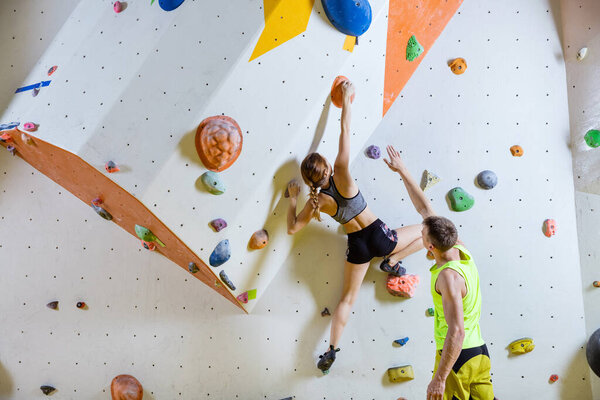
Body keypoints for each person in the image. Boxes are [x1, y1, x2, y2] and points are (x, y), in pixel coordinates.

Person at [286, 80, 424, 374]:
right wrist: (347, 99)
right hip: (379, 235)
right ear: (326, 166)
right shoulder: (343, 173)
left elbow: (293, 229)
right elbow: (345, 131)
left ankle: (331, 351)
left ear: (310, 181)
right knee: (428, 229)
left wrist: (293, 200)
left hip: (357, 246)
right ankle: (394, 260)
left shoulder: (316, 201)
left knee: (346, 299)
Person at [383, 145, 495, 400]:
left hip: (457, 357)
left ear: (430, 247)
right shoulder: (461, 250)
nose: (420, 235)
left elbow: (456, 331)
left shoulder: (448, 276)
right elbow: (425, 210)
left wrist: (440, 378)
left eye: (422, 237)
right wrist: (402, 170)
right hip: (479, 353)